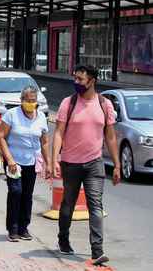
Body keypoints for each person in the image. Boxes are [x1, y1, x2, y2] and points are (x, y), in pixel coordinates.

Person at [52, 65, 120, 265]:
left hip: (94, 163)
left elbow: (110, 137)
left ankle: (97, 251)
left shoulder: (104, 104)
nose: (76, 83)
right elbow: (58, 133)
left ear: (92, 81)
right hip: (70, 163)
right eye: (75, 79)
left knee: (95, 205)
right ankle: (63, 239)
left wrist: (116, 165)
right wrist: (55, 159)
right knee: (68, 204)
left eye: (80, 79)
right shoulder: (68, 103)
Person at [0, 85, 51, 242]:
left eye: (33, 100)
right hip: (14, 161)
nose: (30, 103)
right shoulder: (11, 115)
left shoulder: (41, 117)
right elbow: (1, 136)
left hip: (31, 162)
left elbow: (45, 142)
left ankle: (23, 227)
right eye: (27, 100)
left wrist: (48, 163)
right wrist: (9, 159)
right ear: (21, 100)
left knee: (27, 195)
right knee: (16, 192)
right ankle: (12, 229)